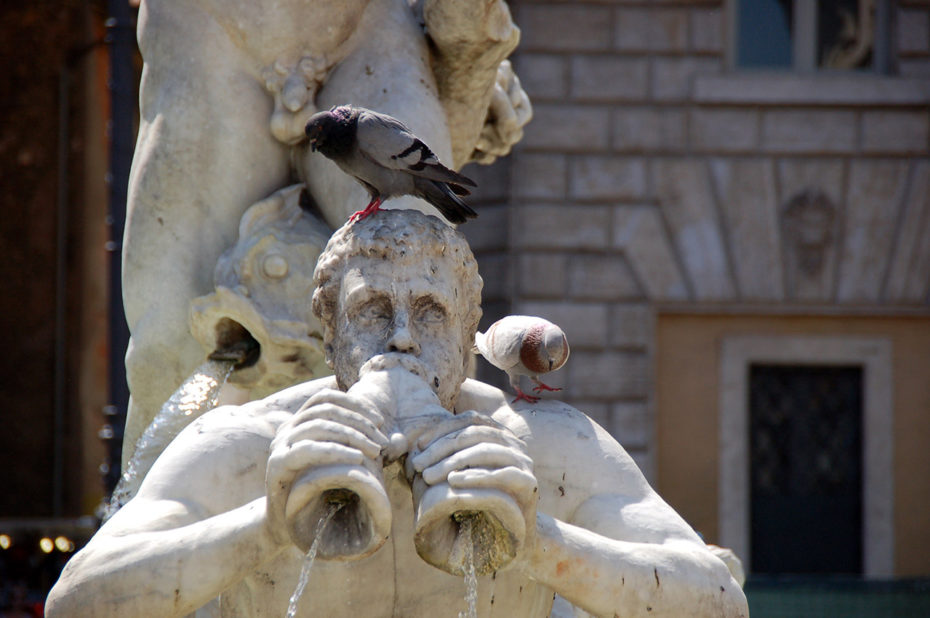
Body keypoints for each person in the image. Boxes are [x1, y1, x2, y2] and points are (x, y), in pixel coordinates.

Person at [48, 211, 747, 617]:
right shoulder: (249, 443)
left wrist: (539, 544)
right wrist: (264, 524)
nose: (403, 336)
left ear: (470, 328)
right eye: (372, 311)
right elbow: (77, 600)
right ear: (331, 332)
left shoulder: (541, 444)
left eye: (431, 312)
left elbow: (719, 602)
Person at [120, 0, 530, 467]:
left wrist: (473, 49)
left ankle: (449, 513)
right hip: (208, 27)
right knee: (165, 348)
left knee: (429, 321)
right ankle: (161, 525)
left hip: (373, 27)